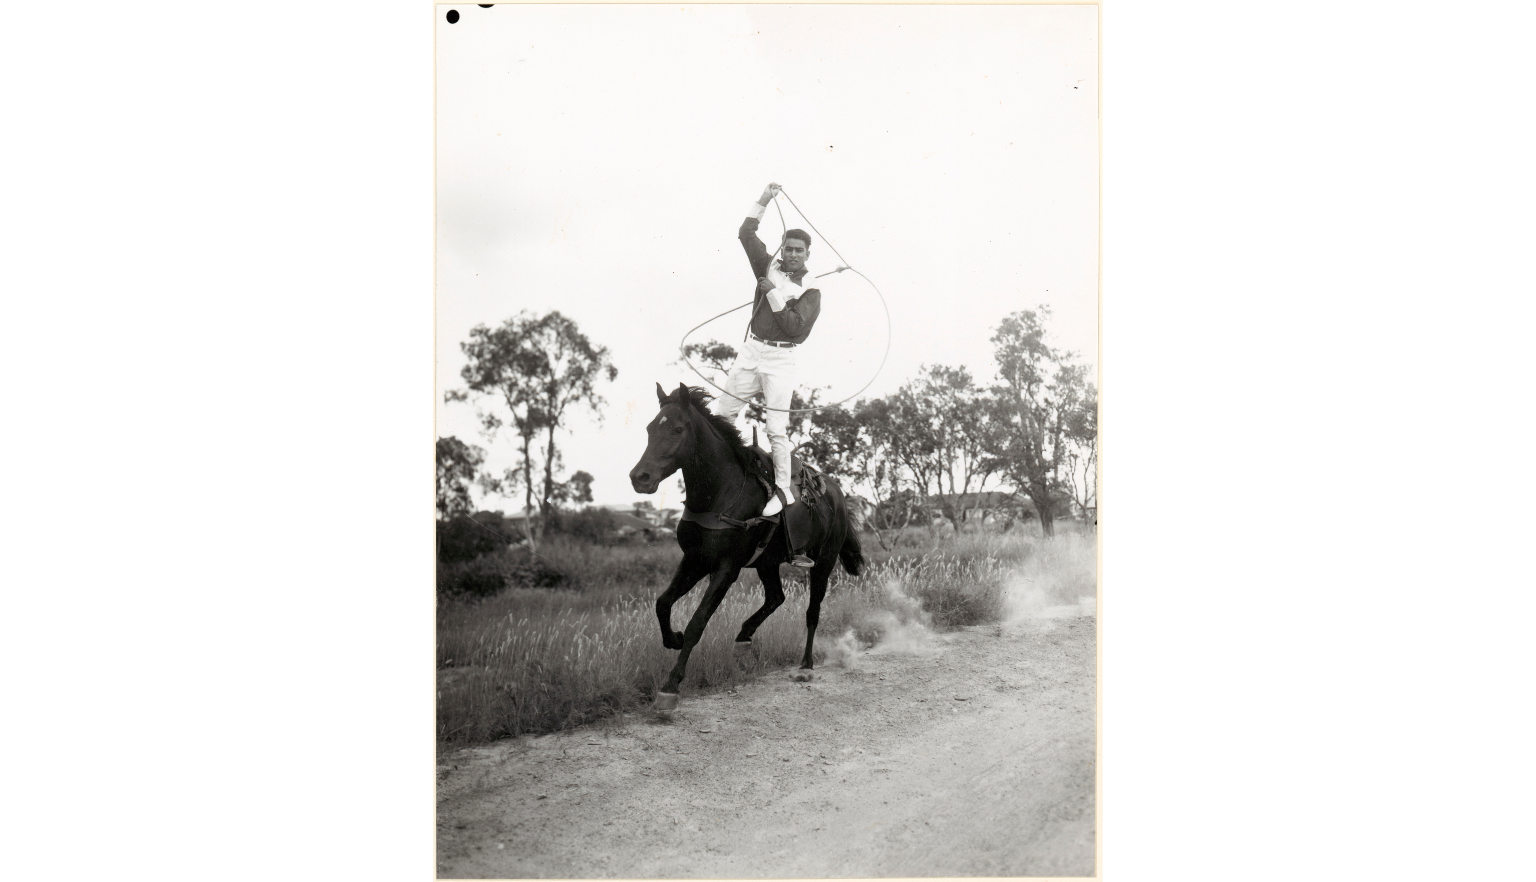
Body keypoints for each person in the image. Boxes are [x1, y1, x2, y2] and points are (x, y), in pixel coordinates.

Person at [711, 181, 822, 567]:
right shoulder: (768, 264)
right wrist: (763, 199)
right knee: (722, 416)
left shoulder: (811, 291)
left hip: (781, 360)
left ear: (808, 255)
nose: (791, 255)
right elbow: (745, 233)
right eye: (788, 248)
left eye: (798, 251)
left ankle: (781, 491)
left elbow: (795, 328)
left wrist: (771, 292)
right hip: (751, 350)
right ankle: (721, 480)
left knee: (776, 429)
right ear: (783, 249)